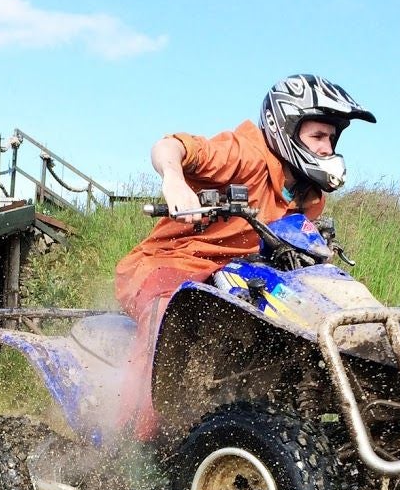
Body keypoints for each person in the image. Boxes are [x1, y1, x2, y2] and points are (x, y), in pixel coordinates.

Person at [112, 74, 376, 440]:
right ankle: (132, 440)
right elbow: (170, 146)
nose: (326, 147)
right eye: (318, 136)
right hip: (167, 265)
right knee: (166, 310)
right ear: (285, 127)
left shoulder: (309, 195)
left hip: (236, 277)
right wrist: (174, 179)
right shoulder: (244, 154)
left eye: (331, 138)